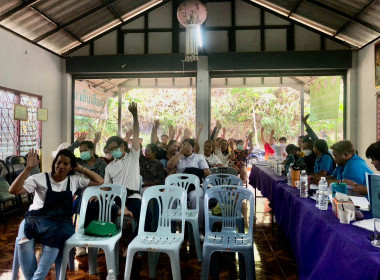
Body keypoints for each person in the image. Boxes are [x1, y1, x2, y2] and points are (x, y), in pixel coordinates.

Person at [9, 149, 104, 280]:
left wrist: (81, 168)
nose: (61, 166)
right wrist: (28, 169)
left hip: (60, 222)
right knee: (23, 243)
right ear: (54, 163)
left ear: (72, 167)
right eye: (58, 163)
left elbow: (100, 181)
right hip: (34, 219)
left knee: (54, 241)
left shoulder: (75, 180)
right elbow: (13, 190)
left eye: (66, 164)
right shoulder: (40, 178)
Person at [104, 102, 141, 237]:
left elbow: (136, 134)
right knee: (103, 211)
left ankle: (131, 245)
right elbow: (107, 188)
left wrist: (135, 116)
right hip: (117, 198)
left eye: (115, 148)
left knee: (147, 215)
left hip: (133, 197)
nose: (113, 151)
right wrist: (98, 194)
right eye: (110, 149)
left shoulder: (133, 156)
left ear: (123, 147)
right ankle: (110, 242)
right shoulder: (109, 167)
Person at [167, 138, 211, 232]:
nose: (185, 147)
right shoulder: (178, 157)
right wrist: (179, 153)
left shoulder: (198, 157)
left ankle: (196, 227)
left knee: (197, 197)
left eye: (188, 145)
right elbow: (169, 166)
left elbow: (207, 173)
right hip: (179, 186)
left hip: (193, 186)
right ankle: (171, 228)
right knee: (171, 197)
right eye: (183, 145)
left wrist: (193, 171)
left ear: (193, 148)